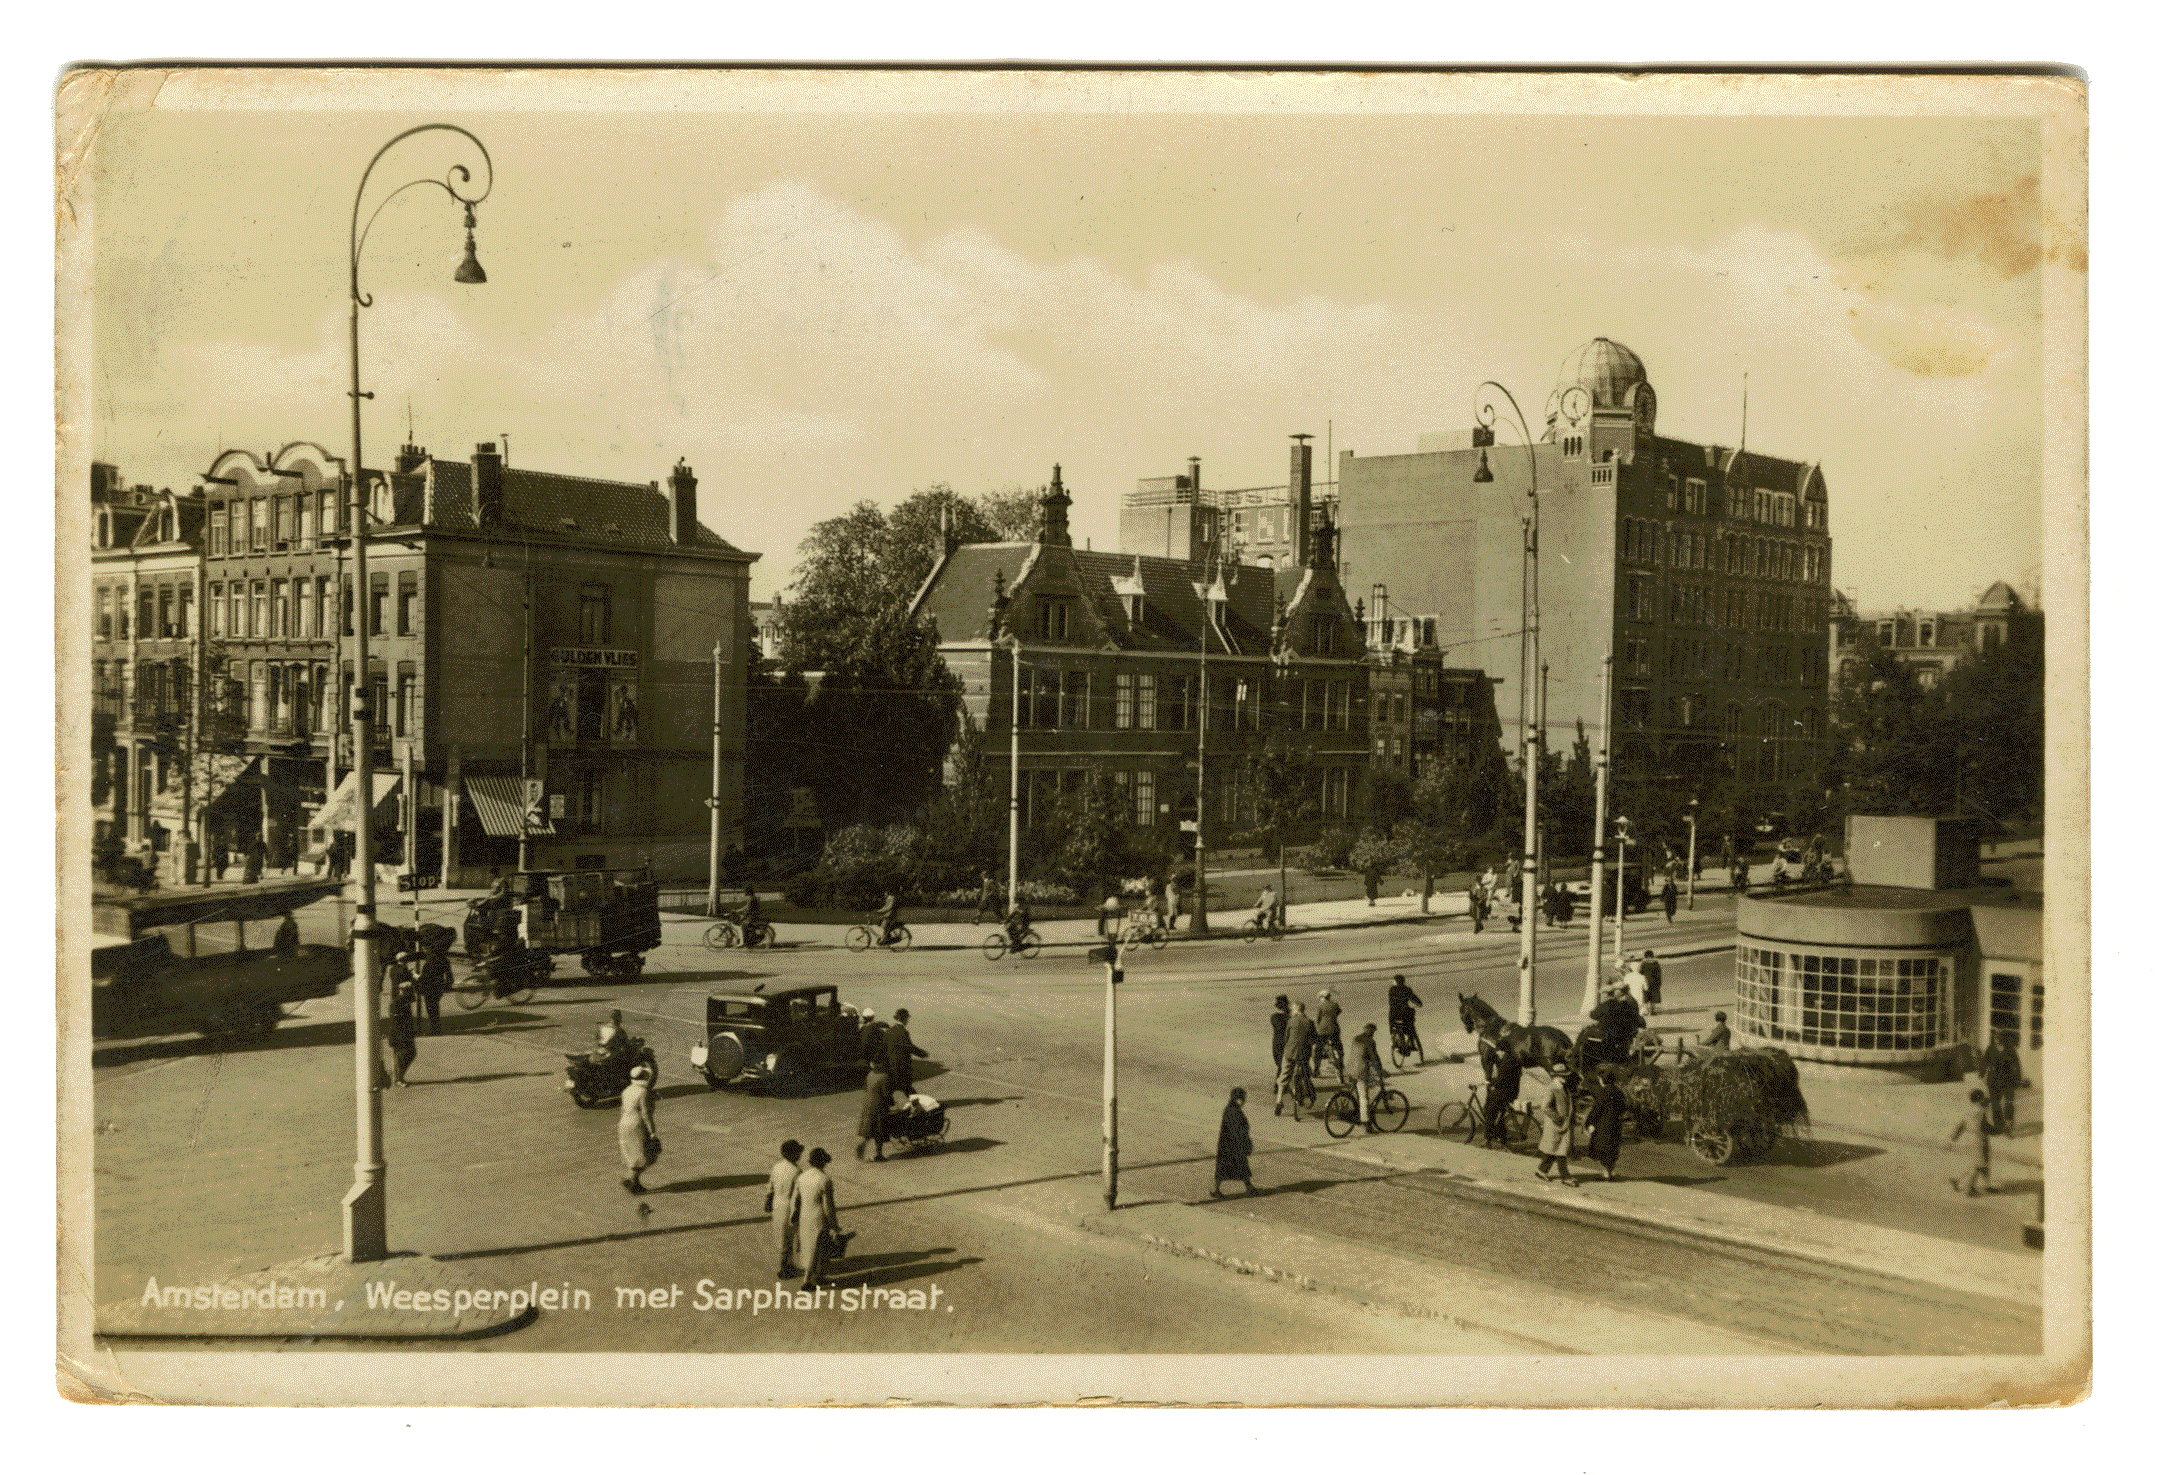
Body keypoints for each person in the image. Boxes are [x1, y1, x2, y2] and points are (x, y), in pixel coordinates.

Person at [793, 1147, 844, 1291]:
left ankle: (818, 1276)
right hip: (819, 1217)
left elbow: (796, 1200)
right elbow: (828, 1206)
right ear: (824, 1162)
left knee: (809, 1247)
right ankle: (808, 1280)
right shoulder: (825, 1180)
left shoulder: (801, 1177)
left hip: (805, 1215)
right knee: (818, 1248)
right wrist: (834, 1225)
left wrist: (794, 1216)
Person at [1532, 1061, 1579, 1185]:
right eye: (1563, 1075)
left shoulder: (1562, 1087)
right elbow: (1545, 1107)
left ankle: (1541, 1171)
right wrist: (1557, 1118)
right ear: (1556, 1076)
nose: (1565, 1077)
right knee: (1560, 1151)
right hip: (1556, 1125)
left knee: (1554, 1149)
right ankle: (1565, 1177)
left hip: (1561, 1124)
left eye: (1565, 1075)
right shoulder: (1553, 1088)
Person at [617, 1063, 659, 1194]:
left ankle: (635, 1183)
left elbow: (623, 1109)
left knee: (634, 1155)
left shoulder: (627, 1091)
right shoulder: (643, 1092)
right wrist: (652, 1130)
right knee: (644, 1155)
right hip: (636, 1125)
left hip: (624, 1124)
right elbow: (645, 1113)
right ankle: (630, 1179)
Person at [765, 1140, 804, 1279]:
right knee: (789, 1238)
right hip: (789, 1206)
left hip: (777, 1204)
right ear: (794, 1155)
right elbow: (798, 1194)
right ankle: (786, 1268)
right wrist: (797, 1212)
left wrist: (768, 1202)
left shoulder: (777, 1166)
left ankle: (786, 1265)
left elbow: (770, 1186)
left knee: (781, 1236)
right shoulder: (797, 1171)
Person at [1981, 1031, 2029, 1136]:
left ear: (2002, 1039)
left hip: (2008, 1081)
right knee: (1995, 1105)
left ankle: (2008, 1126)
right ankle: (1999, 1127)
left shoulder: (2010, 1049)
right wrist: (1981, 1073)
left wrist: (2018, 1079)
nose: (1996, 1040)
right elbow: (1984, 1062)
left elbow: (2017, 1065)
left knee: (2009, 1103)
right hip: (1993, 1081)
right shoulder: (1990, 1049)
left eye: (1998, 1038)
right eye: (1995, 1038)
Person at [1585, 1065, 1628, 1181]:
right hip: (1616, 1124)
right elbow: (1623, 1107)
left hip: (1603, 1124)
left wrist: (1590, 1123)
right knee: (1612, 1147)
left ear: (1602, 1079)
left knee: (1602, 1147)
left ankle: (1606, 1173)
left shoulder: (1602, 1092)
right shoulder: (1619, 1092)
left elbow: (1597, 1109)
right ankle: (1611, 1171)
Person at [1948, 1088, 1993, 1197]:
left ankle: (1959, 1181)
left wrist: (1955, 1135)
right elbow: (1985, 1126)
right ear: (1980, 1099)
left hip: (1970, 1138)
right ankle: (1970, 1189)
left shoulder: (1968, 1109)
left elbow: (1962, 1124)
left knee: (1981, 1161)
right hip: (1980, 1138)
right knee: (1980, 1163)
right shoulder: (1981, 1111)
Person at [1212, 1087, 1255, 1198]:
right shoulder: (1234, 1111)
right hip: (1233, 1146)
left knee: (1228, 1168)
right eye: (1243, 1098)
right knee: (1240, 1166)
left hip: (1227, 1145)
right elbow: (1238, 1130)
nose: (1244, 1101)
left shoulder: (1230, 1109)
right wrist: (1245, 1144)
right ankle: (1249, 1187)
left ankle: (1216, 1189)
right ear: (1238, 1099)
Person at [1275, 1001, 1314, 1119]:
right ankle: (1303, 1097)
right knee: (1304, 1074)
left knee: (1284, 1076)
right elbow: (1313, 1038)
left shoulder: (1292, 1021)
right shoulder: (1309, 1022)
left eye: (1293, 1009)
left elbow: (1286, 1037)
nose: (1291, 1011)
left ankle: (1279, 1101)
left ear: (1297, 1009)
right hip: (1303, 1055)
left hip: (1290, 1052)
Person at [1344, 1023, 1386, 1133]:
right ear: (1372, 1032)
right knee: (1364, 1097)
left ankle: (1359, 1113)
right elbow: (1374, 1058)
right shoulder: (1370, 1042)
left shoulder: (1356, 1038)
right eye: (1373, 1032)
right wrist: (1380, 1071)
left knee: (1358, 1092)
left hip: (1350, 1069)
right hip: (1360, 1071)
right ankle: (1366, 1124)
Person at [1589, 985, 1644, 1065]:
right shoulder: (1625, 1000)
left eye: (1617, 990)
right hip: (1627, 1030)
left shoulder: (1620, 1001)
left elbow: (1594, 1015)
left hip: (1617, 1032)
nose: (1616, 992)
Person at [382, 974, 419, 1088]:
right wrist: (403, 1035)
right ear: (405, 991)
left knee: (406, 1055)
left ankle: (398, 1077)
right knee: (403, 1056)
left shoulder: (403, 1001)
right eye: (410, 991)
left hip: (404, 1034)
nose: (413, 994)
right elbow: (396, 1022)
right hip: (399, 1035)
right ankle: (398, 1078)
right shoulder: (397, 1003)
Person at [1483, 1050, 1524, 1150]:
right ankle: (1501, 1137)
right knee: (1500, 1116)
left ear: (1504, 1051)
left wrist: (1489, 1082)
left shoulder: (1507, 1062)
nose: (1498, 1053)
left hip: (1504, 1093)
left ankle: (1488, 1140)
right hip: (1512, 1093)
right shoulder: (1515, 1059)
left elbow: (1500, 1079)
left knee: (1489, 1112)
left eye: (1499, 1051)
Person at [885, 1007, 928, 1094]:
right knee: (907, 1088)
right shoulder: (902, 1032)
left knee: (895, 1087)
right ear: (904, 1019)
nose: (908, 1021)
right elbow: (909, 1047)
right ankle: (919, 1104)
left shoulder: (890, 1030)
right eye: (907, 1018)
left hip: (891, 1064)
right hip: (902, 1065)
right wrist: (922, 1053)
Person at [855, 1064, 892, 1162]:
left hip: (867, 1105)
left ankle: (862, 1145)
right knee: (879, 1131)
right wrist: (891, 1103)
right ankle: (879, 1155)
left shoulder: (870, 1074)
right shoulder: (884, 1076)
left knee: (868, 1130)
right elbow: (886, 1094)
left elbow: (866, 1089)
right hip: (878, 1105)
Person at [414, 946, 452, 1034]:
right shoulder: (443, 959)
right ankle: (436, 1028)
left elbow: (426, 977)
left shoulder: (430, 962)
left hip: (430, 989)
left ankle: (435, 1030)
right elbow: (449, 975)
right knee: (435, 1008)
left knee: (431, 1010)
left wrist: (416, 976)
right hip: (439, 988)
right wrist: (447, 985)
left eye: (425, 949)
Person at [1386, 974, 1424, 1063]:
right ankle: (1411, 1044)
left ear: (1395, 981)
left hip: (1393, 1014)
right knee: (1411, 1028)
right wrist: (1419, 1004)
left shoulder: (1391, 989)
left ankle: (1395, 1040)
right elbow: (1414, 999)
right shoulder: (1406, 989)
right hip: (1404, 1013)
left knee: (1394, 1027)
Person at [1312, 988, 1343, 1078]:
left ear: (1322, 997)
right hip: (1334, 1028)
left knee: (1318, 1050)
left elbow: (1317, 1019)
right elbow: (1338, 1012)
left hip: (1322, 1030)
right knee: (1338, 1048)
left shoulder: (1320, 1006)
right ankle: (1340, 1067)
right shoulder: (1334, 1004)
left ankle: (1316, 1069)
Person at [1269, 995, 1292, 1071]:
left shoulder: (1274, 1017)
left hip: (1278, 1041)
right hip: (1288, 1041)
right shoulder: (1290, 1017)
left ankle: (1279, 1081)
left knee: (1279, 1063)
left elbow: (1278, 1027)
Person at [1639, 949, 1664, 1014]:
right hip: (1654, 983)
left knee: (1646, 998)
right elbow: (1659, 974)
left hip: (1646, 982)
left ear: (1645, 957)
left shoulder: (1644, 964)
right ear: (1652, 956)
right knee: (1653, 998)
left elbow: (1641, 973)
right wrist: (1659, 983)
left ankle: (1648, 1010)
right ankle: (1652, 1011)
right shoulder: (1656, 964)